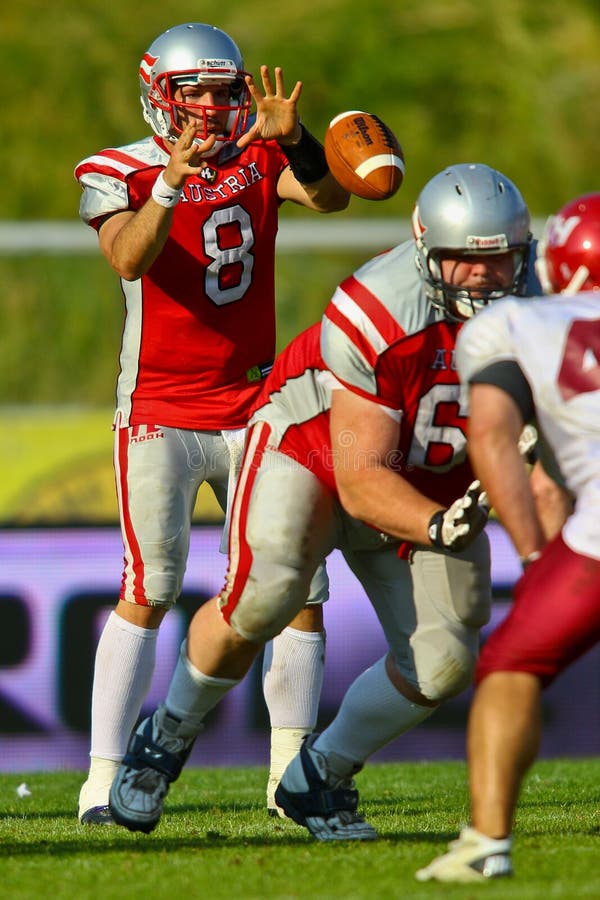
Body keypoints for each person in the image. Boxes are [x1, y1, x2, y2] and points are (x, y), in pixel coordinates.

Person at [106, 162, 538, 838]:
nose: (484, 277)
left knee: (447, 655)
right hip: (311, 450)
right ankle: (166, 733)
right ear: (427, 250)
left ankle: (319, 776)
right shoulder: (377, 308)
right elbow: (363, 478)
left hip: (429, 465)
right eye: (461, 260)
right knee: (267, 593)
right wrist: (437, 521)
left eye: (501, 259)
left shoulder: (539, 310)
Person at [74, 21, 350, 825]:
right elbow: (128, 256)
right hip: (159, 410)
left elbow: (331, 196)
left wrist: (296, 142)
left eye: (223, 91)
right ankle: (101, 779)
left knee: (298, 588)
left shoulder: (256, 156)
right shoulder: (118, 168)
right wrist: (168, 181)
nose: (209, 106)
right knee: (148, 588)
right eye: (193, 90)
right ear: (158, 92)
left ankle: (289, 778)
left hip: (252, 404)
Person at [415, 192, 600, 883]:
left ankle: (487, 841)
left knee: (510, 668)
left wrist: (530, 554)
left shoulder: (517, 322)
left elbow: (491, 435)